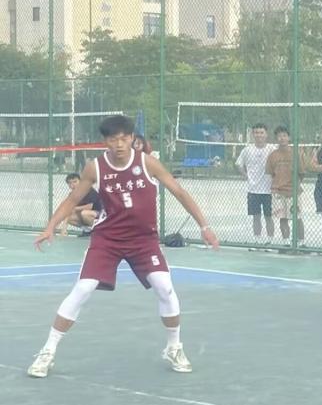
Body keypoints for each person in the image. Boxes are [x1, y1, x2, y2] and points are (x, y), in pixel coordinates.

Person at [28, 114, 220, 378]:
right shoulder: (95, 168)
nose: (119, 144)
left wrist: (204, 226)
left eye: (123, 138)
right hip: (107, 239)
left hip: (143, 240)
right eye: (113, 139)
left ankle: (174, 347)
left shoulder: (147, 163)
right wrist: (50, 226)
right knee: (83, 288)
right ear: (105, 141)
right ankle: (47, 351)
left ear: (132, 138)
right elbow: (72, 200)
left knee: (165, 287)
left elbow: (179, 192)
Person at [235, 123, 275, 244]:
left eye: (261, 132)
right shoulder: (247, 150)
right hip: (253, 190)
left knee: (269, 217)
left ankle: (270, 242)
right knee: (256, 217)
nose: (259, 135)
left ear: (266, 134)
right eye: (256, 132)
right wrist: (246, 176)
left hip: (269, 190)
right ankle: (257, 241)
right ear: (253, 134)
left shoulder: (272, 149)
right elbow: (238, 164)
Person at [265, 125, 303, 245]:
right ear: (276, 138)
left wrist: (295, 184)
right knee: (283, 218)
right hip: (278, 192)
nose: (282, 138)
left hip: (293, 191)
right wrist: (279, 183)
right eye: (279, 136)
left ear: (289, 138)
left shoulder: (296, 153)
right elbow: (271, 173)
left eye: (284, 136)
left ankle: (301, 242)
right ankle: (286, 241)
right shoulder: (273, 155)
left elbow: (301, 173)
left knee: (297, 217)